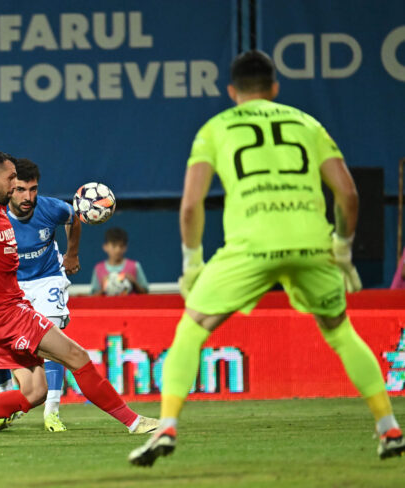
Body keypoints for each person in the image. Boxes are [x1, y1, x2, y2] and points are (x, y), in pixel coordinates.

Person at [129, 50, 405, 466]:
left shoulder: (214, 128)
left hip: (251, 245)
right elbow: (348, 193)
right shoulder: (306, 122)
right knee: (340, 331)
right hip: (313, 244)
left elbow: (190, 205)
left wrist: (191, 264)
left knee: (193, 329)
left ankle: (167, 425)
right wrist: (343, 250)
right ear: (275, 88)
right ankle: (389, 428)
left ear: (231, 91)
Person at [0, 149, 158, 439]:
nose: (15, 185)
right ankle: (134, 422)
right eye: (11, 179)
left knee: (34, 392)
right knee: (76, 356)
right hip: (7, 314)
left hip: (11, 308)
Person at [0, 157, 82, 432]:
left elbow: (73, 217)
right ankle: (7, 402)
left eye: (33, 189)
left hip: (48, 278)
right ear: (10, 188)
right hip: (10, 285)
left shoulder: (51, 208)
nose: (28, 196)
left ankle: (52, 412)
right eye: (22, 189)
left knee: (52, 340)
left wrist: (72, 254)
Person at [90, 227, 149, 296]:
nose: (118, 250)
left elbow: (145, 293)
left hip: (130, 306)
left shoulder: (134, 266)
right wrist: (104, 288)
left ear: (126, 247)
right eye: (114, 246)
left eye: (121, 246)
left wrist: (134, 283)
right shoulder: (98, 269)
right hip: (107, 306)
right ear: (105, 247)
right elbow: (93, 296)